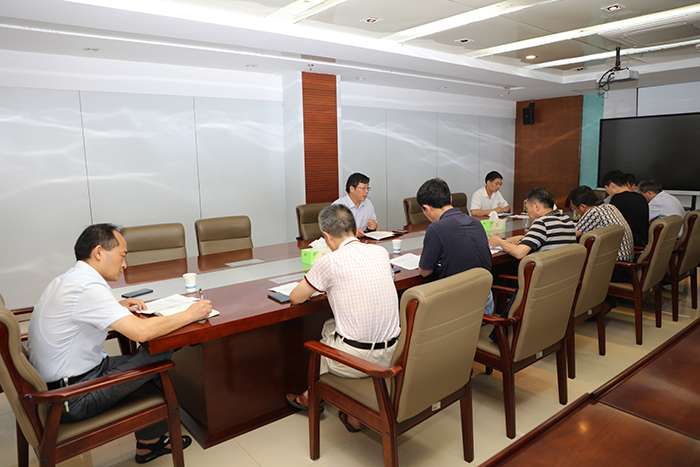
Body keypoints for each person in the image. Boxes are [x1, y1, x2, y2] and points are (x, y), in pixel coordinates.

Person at [28, 224, 212, 464]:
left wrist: (115, 307)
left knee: (154, 362)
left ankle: (149, 444)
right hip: (72, 397)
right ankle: (154, 439)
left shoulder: (70, 280)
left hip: (63, 385)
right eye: (122, 255)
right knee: (159, 354)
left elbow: (80, 312)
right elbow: (142, 332)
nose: (124, 264)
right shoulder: (88, 287)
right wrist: (190, 314)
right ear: (99, 252)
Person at [286, 204, 400, 433]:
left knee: (324, 337)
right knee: (332, 326)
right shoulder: (380, 252)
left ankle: (312, 396)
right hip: (393, 354)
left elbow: (296, 298)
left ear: (326, 236)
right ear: (355, 228)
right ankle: (349, 411)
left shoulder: (329, 261)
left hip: (358, 362)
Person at [416, 178, 494, 315]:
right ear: (450, 199)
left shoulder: (435, 228)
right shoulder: (475, 222)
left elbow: (424, 272)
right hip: (486, 305)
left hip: (458, 310)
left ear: (426, 208)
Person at [488, 186, 576, 259]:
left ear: (536, 206)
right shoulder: (567, 219)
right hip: (564, 272)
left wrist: (499, 242)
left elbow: (519, 253)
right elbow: (550, 238)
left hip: (543, 273)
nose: (527, 213)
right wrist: (523, 238)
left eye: (527, 208)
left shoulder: (542, 222)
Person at [568, 185, 634, 282]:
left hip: (615, 268)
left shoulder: (593, 212)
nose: (575, 211)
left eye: (574, 208)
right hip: (627, 267)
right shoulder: (610, 207)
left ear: (582, 207)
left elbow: (571, 236)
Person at [603, 170, 649, 247]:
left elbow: (610, 225)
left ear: (612, 185)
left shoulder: (617, 199)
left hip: (629, 245)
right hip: (643, 243)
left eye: (606, 188)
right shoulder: (641, 197)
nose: (608, 193)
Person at [333, 172, 378, 237]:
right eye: (363, 188)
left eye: (367, 188)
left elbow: (373, 223)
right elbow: (333, 231)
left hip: (362, 240)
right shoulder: (338, 206)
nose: (366, 191)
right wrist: (352, 232)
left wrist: (373, 226)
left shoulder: (368, 203)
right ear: (352, 189)